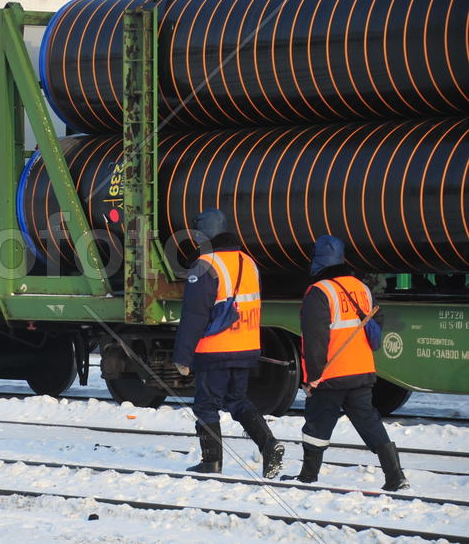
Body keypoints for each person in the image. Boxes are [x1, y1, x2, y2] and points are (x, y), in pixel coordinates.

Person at [281, 235, 409, 491]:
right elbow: (377, 317)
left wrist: (312, 377)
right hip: (361, 370)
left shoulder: (319, 292)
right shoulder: (360, 287)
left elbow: (315, 339)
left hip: (331, 374)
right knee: (368, 421)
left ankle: (307, 476)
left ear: (317, 261)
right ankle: (395, 476)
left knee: (317, 423)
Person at [172, 208, 284, 478]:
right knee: (237, 399)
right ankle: (269, 445)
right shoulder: (248, 261)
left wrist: (183, 356)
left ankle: (211, 462)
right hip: (245, 345)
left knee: (206, 405)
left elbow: (194, 315)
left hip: (215, 348)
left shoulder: (205, 265)